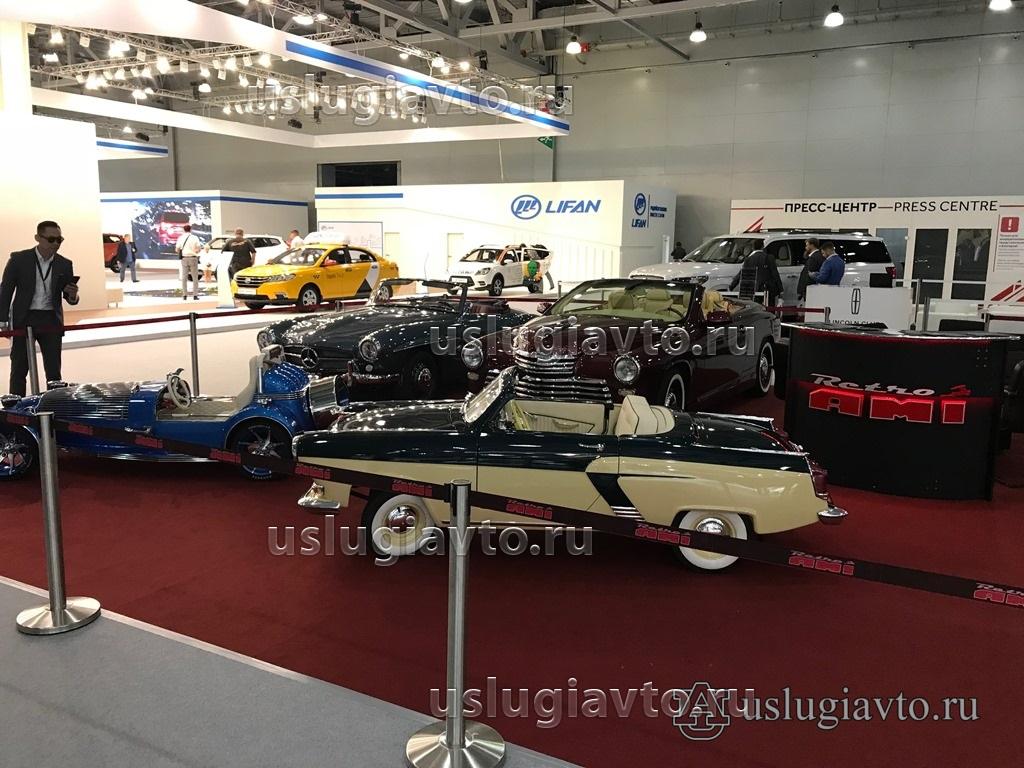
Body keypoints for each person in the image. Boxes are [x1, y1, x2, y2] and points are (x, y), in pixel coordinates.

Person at [0, 221, 80, 396]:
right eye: (51, 239)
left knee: (54, 371)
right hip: (24, 319)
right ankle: (16, 406)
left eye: (59, 240)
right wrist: (3, 321)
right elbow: (5, 290)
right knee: (19, 368)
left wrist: (73, 295)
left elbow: (70, 298)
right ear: (38, 238)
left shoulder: (64, 263)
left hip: (51, 320)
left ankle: (54, 406)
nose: (56, 244)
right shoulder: (19, 259)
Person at [175, 224, 202, 301]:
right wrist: (195, 251)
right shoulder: (195, 237)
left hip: (184, 259)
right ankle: (195, 295)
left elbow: (177, 249)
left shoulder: (181, 238)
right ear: (190, 229)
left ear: (184, 230)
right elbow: (198, 248)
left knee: (184, 278)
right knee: (195, 278)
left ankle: (184, 295)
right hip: (193, 258)